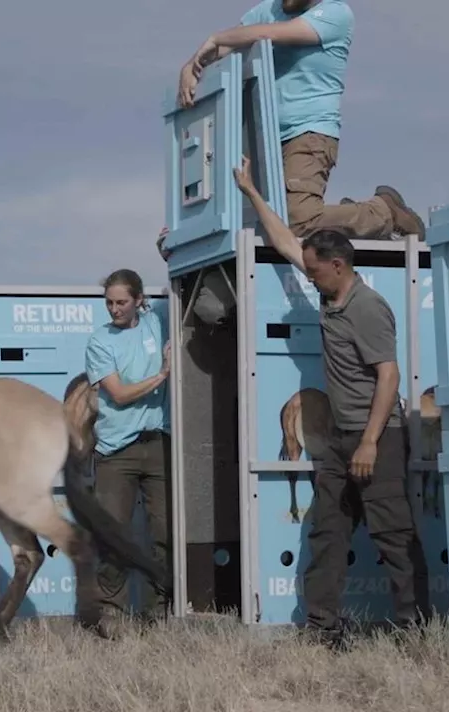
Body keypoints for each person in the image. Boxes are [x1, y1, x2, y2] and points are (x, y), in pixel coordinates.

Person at [232, 156, 430, 650]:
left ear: (338, 266)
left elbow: (389, 375)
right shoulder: (330, 293)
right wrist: (251, 191)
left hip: (377, 439)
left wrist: (368, 441)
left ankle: (416, 631)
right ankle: (323, 629)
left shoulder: (367, 308)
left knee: (392, 535)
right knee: (327, 533)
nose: (311, 277)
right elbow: (285, 242)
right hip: (341, 440)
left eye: (316, 271)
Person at [175, 0, 426, 243]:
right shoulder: (269, 9)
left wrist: (217, 38)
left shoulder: (335, 13)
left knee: (297, 220)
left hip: (310, 132)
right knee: (264, 222)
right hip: (265, 137)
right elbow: (229, 45)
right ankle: (349, 215)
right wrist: (192, 65)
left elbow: (268, 35)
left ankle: (384, 213)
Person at [82, 268, 173, 635]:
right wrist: (162, 376)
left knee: (163, 532)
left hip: (159, 445)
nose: (114, 310)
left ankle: (158, 613)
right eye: (109, 303)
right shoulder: (100, 341)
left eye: (121, 302)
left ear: (139, 300)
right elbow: (118, 394)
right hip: (116, 451)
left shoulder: (157, 323)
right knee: (113, 533)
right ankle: (109, 614)